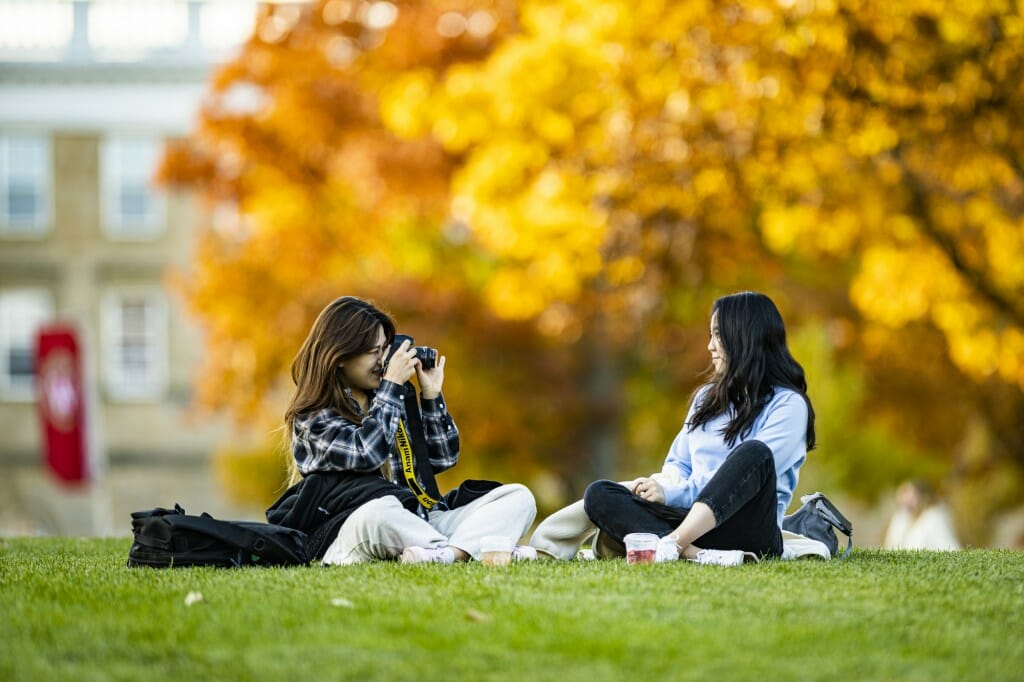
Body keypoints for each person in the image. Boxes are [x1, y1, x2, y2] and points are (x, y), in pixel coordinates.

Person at [530, 291, 815, 565]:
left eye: (718, 335)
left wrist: (673, 495)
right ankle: (696, 554)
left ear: (746, 337)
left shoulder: (788, 406)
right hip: (691, 521)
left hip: (749, 529)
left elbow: (746, 482)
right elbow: (679, 464)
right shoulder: (707, 400)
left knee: (753, 452)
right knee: (600, 494)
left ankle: (674, 545)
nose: (710, 346)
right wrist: (660, 487)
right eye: (710, 335)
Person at [270, 296, 537, 565]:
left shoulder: (390, 398)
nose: (384, 360)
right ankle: (472, 548)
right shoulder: (313, 417)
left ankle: (446, 554)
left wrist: (431, 396)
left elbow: (442, 457)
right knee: (381, 511)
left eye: (386, 349)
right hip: (354, 528)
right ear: (339, 356)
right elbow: (367, 453)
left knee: (518, 497)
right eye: (374, 351)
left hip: (419, 522)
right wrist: (391, 386)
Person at [882, 479, 961, 550]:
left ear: (923, 497)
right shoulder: (901, 519)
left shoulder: (934, 518)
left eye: (912, 497)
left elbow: (951, 548)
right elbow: (891, 546)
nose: (908, 503)